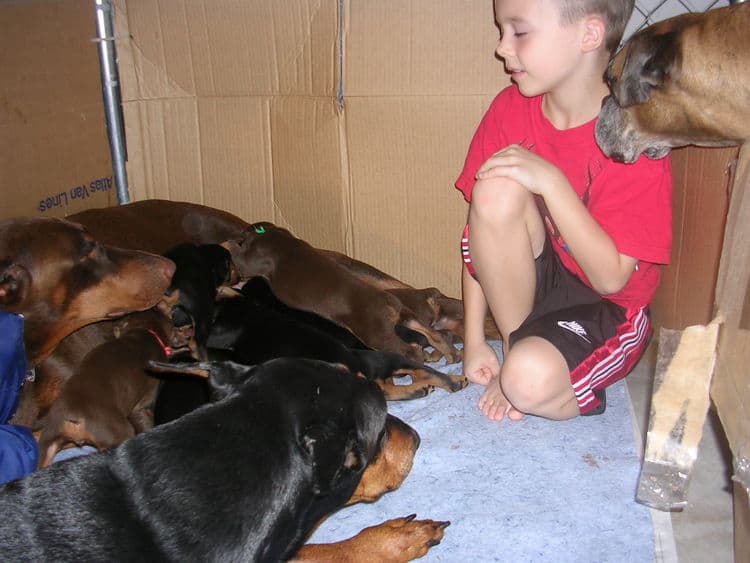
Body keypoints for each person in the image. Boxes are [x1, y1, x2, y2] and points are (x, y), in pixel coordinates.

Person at [456, 0, 672, 421]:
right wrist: (474, 339)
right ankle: (518, 341)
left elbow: (611, 279)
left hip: (609, 308)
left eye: (519, 32)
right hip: (539, 286)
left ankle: (558, 376)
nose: (502, 48)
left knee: (527, 382)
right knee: (495, 188)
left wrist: (551, 182)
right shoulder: (509, 109)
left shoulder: (635, 131)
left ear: (588, 35)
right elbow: (477, 233)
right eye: (502, 31)